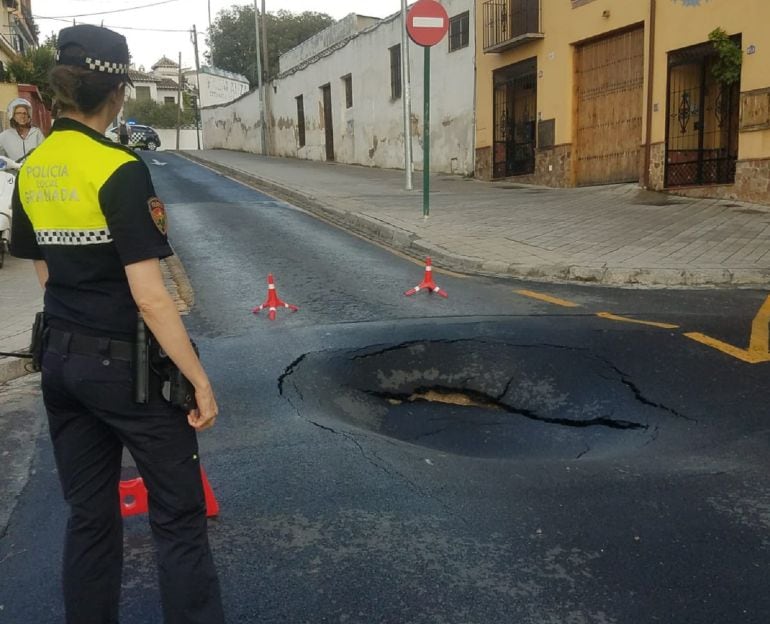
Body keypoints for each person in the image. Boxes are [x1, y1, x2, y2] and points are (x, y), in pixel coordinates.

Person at [9, 24, 225, 624]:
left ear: (56, 93)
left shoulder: (33, 169)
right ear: (119, 91)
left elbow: (46, 275)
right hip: (127, 370)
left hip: (61, 362)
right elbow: (152, 298)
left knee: (88, 515)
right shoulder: (119, 168)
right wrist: (197, 378)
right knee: (178, 519)